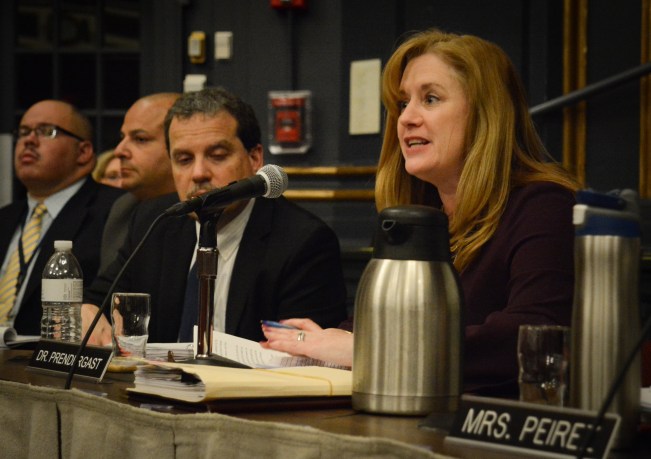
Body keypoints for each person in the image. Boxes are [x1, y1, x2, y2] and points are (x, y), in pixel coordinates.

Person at [261, 29, 580, 398]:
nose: (406, 118)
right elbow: (376, 323)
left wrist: (367, 349)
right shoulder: (419, 217)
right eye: (402, 104)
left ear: (485, 113)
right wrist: (323, 341)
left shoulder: (544, 207)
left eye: (430, 99)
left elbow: (532, 335)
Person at [82, 87, 348, 344]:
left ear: (255, 158)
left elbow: (306, 355)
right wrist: (89, 312)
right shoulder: (156, 220)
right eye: (184, 159)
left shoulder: (303, 241)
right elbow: (99, 299)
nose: (198, 173)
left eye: (217, 156)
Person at [0, 100, 124, 335]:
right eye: (24, 132)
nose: (29, 140)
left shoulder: (115, 209)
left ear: (84, 152)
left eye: (47, 131)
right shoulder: (6, 217)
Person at [98, 93, 179, 270]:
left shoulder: (200, 212)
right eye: (122, 137)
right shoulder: (123, 207)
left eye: (140, 139)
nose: (119, 151)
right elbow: (106, 292)